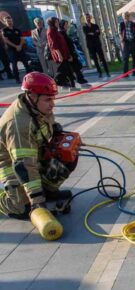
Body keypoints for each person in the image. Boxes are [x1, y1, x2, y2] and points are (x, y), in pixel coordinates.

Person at [0, 72, 75, 220]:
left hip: (33, 156)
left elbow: (48, 126)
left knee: (68, 154)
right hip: (11, 165)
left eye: (53, 99)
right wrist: (38, 203)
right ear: (32, 96)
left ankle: (48, 191)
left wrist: (59, 134)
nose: (52, 104)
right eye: (48, 99)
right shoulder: (18, 125)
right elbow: (24, 166)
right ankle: (7, 199)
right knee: (23, 209)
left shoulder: (38, 107)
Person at [47, 17, 76, 89]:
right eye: (56, 22)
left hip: (64, 53)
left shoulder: (56, 30)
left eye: (57, 22)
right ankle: (53, 83)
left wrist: (69, 55)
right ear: (52, 23)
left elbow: (63, 44)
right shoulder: (51, 31)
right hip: (60, 54)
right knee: (62, 71)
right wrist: (59, 55)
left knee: (69, 70)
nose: (58, 23)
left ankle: (72, 86)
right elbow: (53, 45)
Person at [3, 16, 31, 83]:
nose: (10, 22)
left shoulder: (17, 30)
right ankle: (17, 79)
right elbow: (6, 40)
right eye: (8, 21)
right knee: (14, 65)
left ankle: (29, 77)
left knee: (26, 63)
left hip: (20, 48)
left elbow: (22, 39)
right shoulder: (4, 30)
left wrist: (20, 46)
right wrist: (16, 46)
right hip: (11, 50)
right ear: (5, 22)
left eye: (11, 21)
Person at [60, 20, 88, 85]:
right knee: (74, 67)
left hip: (72, 52)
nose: (67, 26)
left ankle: (80, 79)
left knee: (77, 66)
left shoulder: (65, 32)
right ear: (62, 25)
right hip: (69, 53)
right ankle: (77, 80)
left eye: (67, 24)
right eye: (65, 25)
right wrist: (69, 55)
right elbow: (65, 45)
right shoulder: (62, 33)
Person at [83, 14, 110, 80]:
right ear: (85, 19)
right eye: (86, 17)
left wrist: (92, 33)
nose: (88, 18)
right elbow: (87, 34)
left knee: (102, 58)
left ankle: (107, 72)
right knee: (95, 59)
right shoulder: (84, 27)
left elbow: (98, 33)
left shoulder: (95, 25)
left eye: (89, 17)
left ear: (90, 17)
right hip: (90, 45)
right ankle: (99, 72)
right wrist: (94, 33)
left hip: (97, 44)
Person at [119, 12, 135, 77]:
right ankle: (125, 74)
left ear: (129, 16)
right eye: (124, 16)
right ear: (123, 17)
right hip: (126, 42)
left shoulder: (133, 23)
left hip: (133, 42)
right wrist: (122, 39)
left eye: (127, 15)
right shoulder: (121, 24)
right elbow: (119, 32)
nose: (126, 17)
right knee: (125, 58)